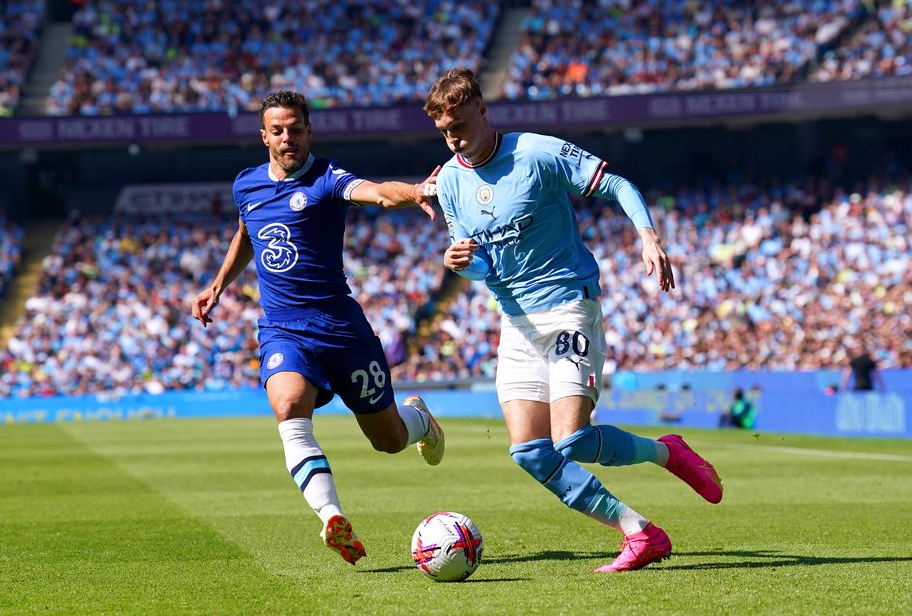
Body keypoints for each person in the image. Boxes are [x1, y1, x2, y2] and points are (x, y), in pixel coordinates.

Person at [424, 68, 723, 573]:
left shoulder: (537, 153)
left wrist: (648, 236)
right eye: (444, 130)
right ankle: (639, 532)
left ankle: (666, 452)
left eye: (459, 125)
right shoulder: (450, 180)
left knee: (573, 440)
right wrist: (461, 261)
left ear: (482, 110)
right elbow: (482, 264)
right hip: (515, 324)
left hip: (566, 306)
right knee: (531, 453)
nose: (453, 138)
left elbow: (620, 185)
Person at [191, 90, 444, 567]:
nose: (288, 138)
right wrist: (218, 284)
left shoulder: (327, 179)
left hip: (342, 331)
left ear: (309, 131)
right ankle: (331, 517)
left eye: (296, 129)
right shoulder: (246, 184)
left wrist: (413, 192)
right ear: (264, 135)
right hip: (284, 330)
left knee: (388, 440)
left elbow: (375, 191)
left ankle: (421, 422)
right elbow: (247, 233)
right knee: (288, 405)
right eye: (278, 130)